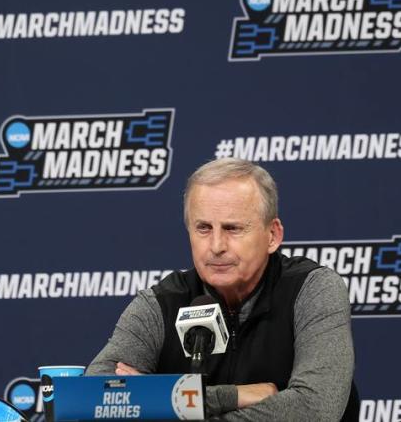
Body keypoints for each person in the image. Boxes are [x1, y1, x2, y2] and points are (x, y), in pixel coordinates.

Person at [87, 158, 358, 421]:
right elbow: (93, 399)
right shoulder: (161, 303)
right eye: (203, 228)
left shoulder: (312, 289)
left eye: (233, 228)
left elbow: (314, 409)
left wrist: (160, 399)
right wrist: (234, 396)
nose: (216, 246)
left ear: (272, 235)